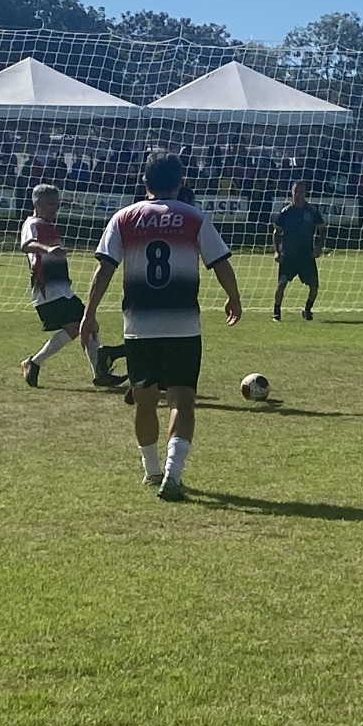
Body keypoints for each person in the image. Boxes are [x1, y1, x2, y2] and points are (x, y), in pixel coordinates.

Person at [79, 151, 243, 502]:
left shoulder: (124, 218)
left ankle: (151, 469)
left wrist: (89, 312)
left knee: (145, 401)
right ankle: (174, 472)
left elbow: (104, 268)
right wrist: (234, 297)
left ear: (145, 182)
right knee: (182, 400)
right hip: (183, 324)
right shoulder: (195, 217)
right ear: (181, 182)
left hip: (139, 325)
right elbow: (220, 263)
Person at [19, 184, 126, 390]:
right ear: (37, 204)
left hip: (61, 290)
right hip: (47, 290)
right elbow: (27, 245)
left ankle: (36, 363)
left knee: (87, 325)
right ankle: (97, 371)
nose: (54, 208)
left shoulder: (47, 224)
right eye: (50, 204)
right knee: (84, 326)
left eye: (56, 204)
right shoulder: (32, 224)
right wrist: (48, 248)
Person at [271, 180, 325, 321]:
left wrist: (318, 247)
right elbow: (276, 232)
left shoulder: (311, 211)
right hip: (289, 256)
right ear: (292, 192)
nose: (298, 195)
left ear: (305, 193)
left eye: (301, 192)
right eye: (295, 192)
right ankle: (276, 312)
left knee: (314, 286)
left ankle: (307, 309)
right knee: (281, 285)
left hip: (306, 256)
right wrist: (277, 251)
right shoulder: (286, 212)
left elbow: (322, 228)